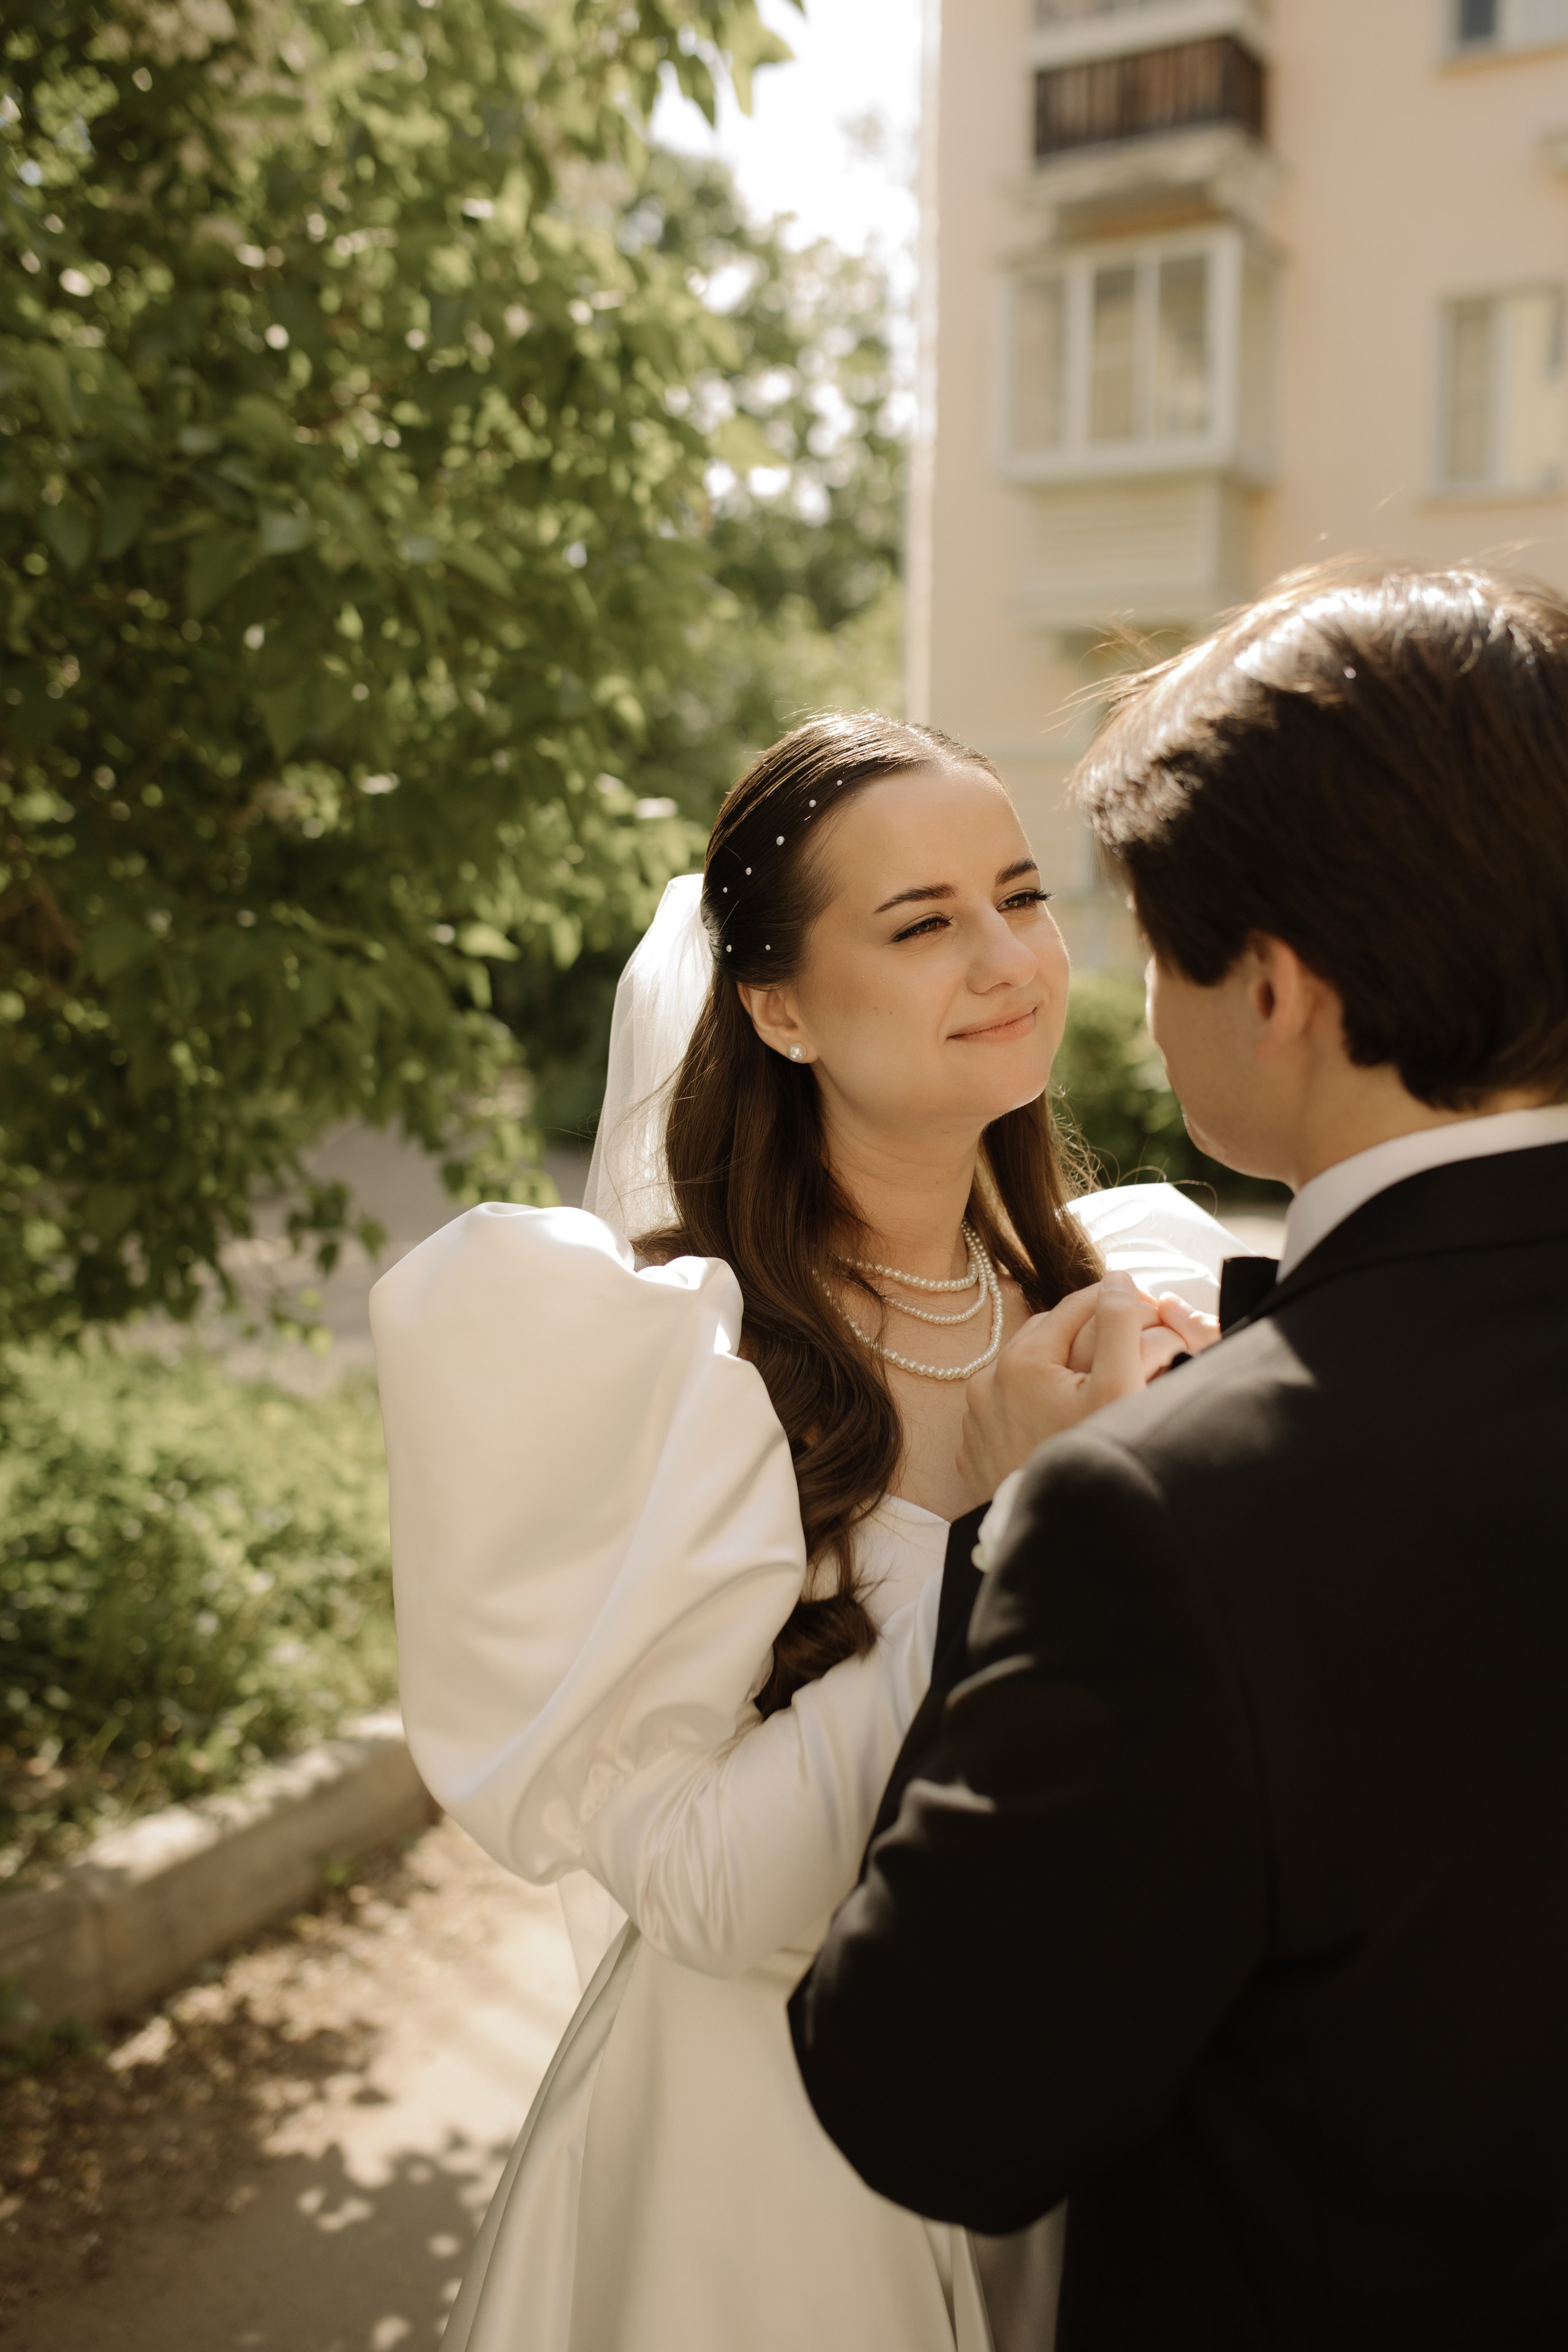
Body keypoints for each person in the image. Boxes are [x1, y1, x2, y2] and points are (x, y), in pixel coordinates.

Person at [371, 712, 1236, 2352]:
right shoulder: (662, 1359)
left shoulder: (1141, 1289)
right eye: (920, 925)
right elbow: (709, 1891)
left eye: (1020, 897)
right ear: (775, 1006)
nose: (1006, 960)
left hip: (1084, 2136)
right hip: (773, 2170)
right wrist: (982, 1516)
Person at [788, 567, 1568, 2351]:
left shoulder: (1170, 1512)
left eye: (1151, 945)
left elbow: (927, 2096)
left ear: (1272, 987)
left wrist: (1003, 1513)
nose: (1127, 1004)